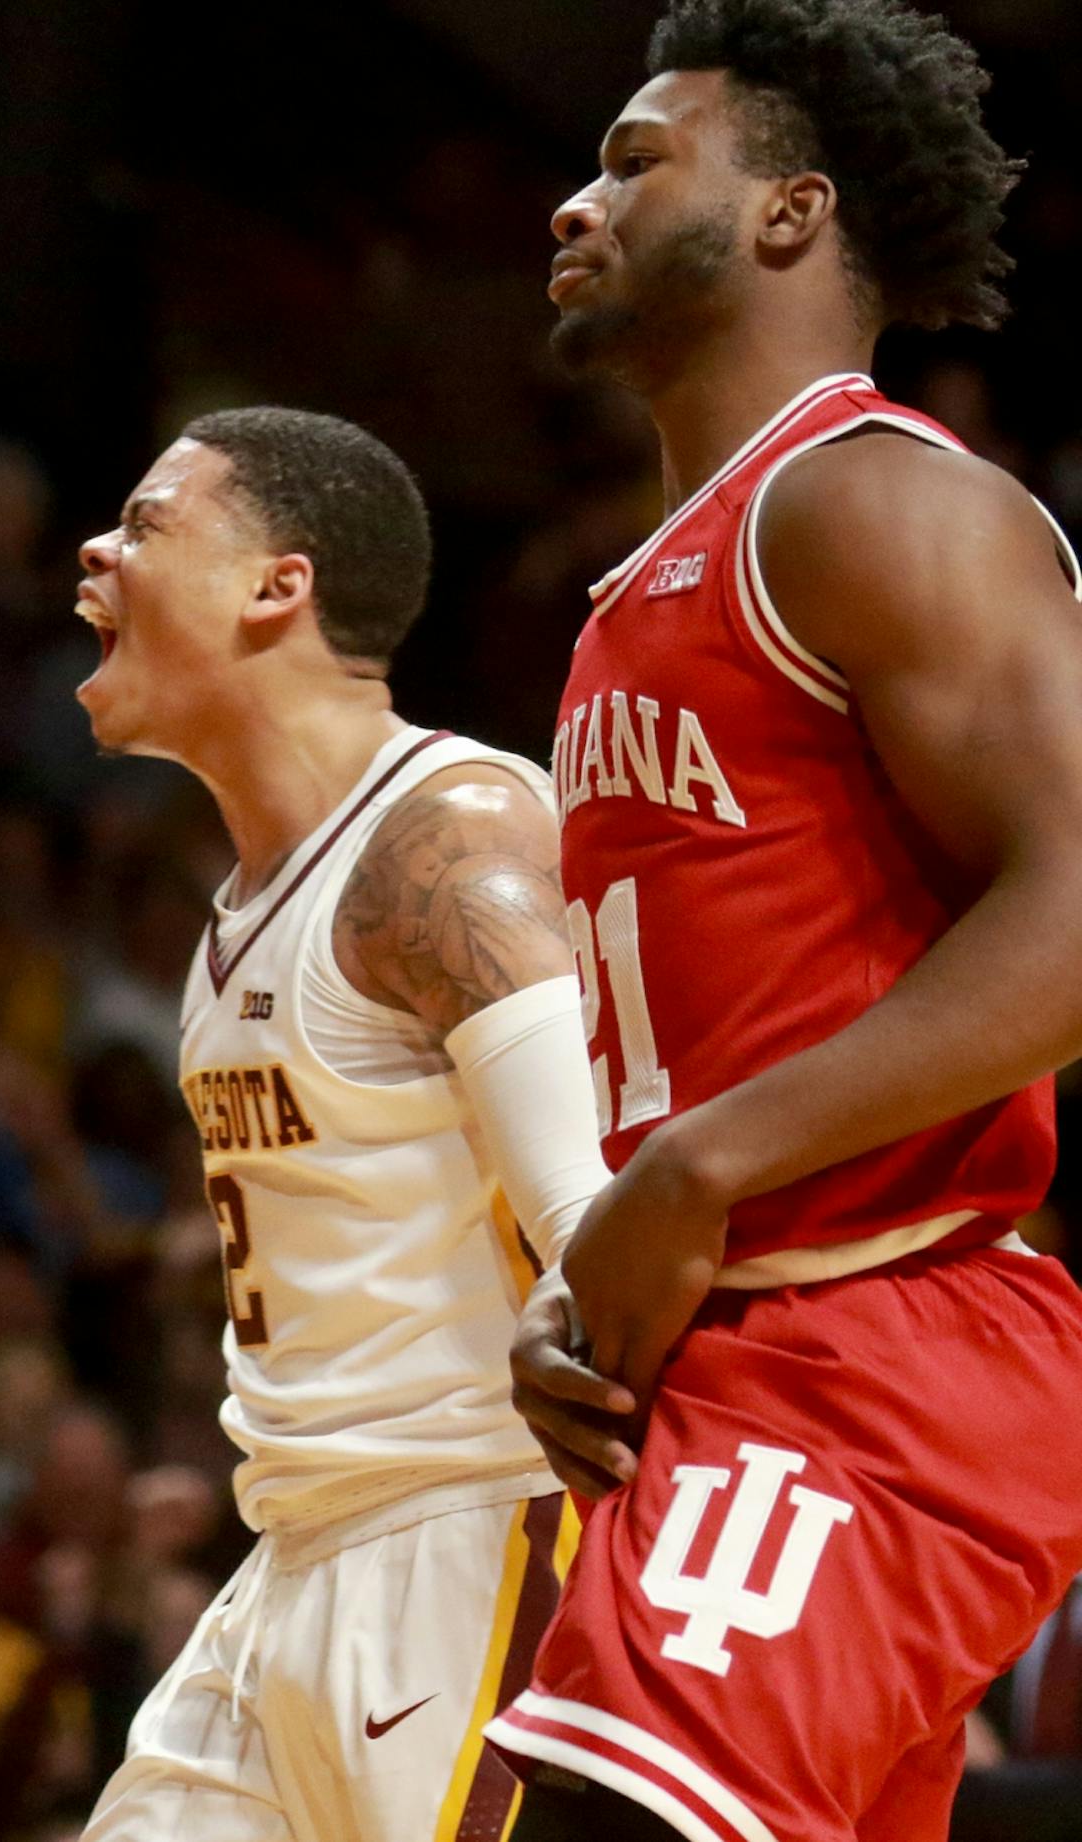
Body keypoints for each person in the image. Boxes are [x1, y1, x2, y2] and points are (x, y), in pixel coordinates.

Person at [490, 5, 1082, 1840]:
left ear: (789, 213)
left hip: (881, 1352)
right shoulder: (636, 590)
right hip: (729, 1368)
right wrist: (589, 1270)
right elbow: (710, 1042)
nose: (576, 206)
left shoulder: (869, 497)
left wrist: (699, 1176)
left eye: (636, 159)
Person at [70, 405, 614, 1839]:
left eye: (147, 524)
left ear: (278, 586)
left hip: (475, 1542)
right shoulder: (242, 908)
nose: (96, 553)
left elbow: (604, 1238)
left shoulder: (446, 843)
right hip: (293, 1559)